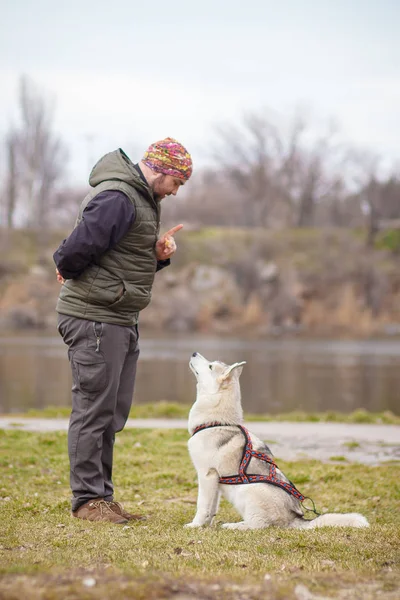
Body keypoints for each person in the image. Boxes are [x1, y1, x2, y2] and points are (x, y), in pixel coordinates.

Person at [53, 138, 192, 524]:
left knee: (111, 412)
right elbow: (75, 250)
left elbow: (116, 256)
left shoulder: (141, 200)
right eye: (178, 181)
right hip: (95, 317)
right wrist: (65, 266)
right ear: (161, 170)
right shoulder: (119, 198)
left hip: (118, 317)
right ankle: (87, 501)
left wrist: (156, 257)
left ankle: (103, 498)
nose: (178, 190)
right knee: (93, 410)